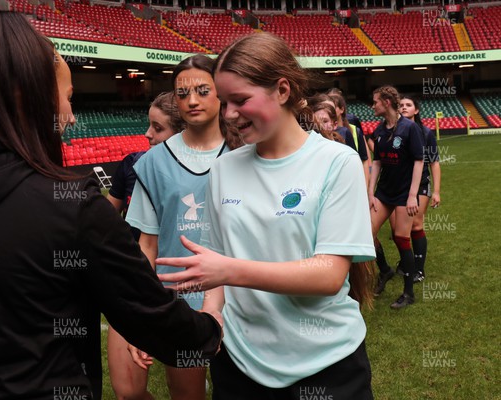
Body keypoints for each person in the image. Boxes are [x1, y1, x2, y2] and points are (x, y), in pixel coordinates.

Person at [0, 10, 222, 399]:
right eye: (67, 99)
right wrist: (211, 322)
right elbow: (158, 323)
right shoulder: (71, 208)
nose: (70, 117)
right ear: (28, 98)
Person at [154, 33, 376, 400]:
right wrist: (213, 317)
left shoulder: (337, 162)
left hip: (327, 366)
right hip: (238, 365)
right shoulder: (223, 170)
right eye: (224, 102)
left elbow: (329, 274)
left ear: (283, 90)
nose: (229, 114)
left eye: (240, 100)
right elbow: (217, 262)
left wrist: (228, 270)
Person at [108, 54, 234, 400]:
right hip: (179, 301)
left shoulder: (246, 150)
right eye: (182, 93)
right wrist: (142, 317)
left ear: (220, 92)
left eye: (202, 90)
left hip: (243, 294)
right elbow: (146, 247)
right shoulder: (152, 162)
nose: (192, 100)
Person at [369, 86, 425, 308]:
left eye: (375, 102)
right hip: (384, 193)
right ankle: (385, 270)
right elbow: (377, 161)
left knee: (402, 239)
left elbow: (419, 161)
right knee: (366, 234)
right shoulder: (379, 130)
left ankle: (408, 292)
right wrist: (371, 192)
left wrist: (413, 196)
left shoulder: (409, 128)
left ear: (387, 102)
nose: (373, 106)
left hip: (404, 194)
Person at [106, 92, 185, 240]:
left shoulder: (198, 175)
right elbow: (105, 219)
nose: (147, 134)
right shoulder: (131, 163)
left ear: (181, 133)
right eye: (149, 125)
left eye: (158, 128)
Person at [388, 95, 441, 282]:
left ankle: (418, 270)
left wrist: (436, 191)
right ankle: (406, 262)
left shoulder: (425, 133)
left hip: (420, 186)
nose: (404, 107)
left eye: (408, 105)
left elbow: (434, 163)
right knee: (397, 230)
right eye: (401, 105)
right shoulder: (392, 131)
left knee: (416, 224)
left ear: (416, 110)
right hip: (399, 187)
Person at [329, 92, 370, 187]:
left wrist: (364, 186)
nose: (330, 111)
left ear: (342, 109)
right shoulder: (323, 131)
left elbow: (364, 161)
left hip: (354, 180)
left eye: (333, 107)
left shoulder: (355, 130)